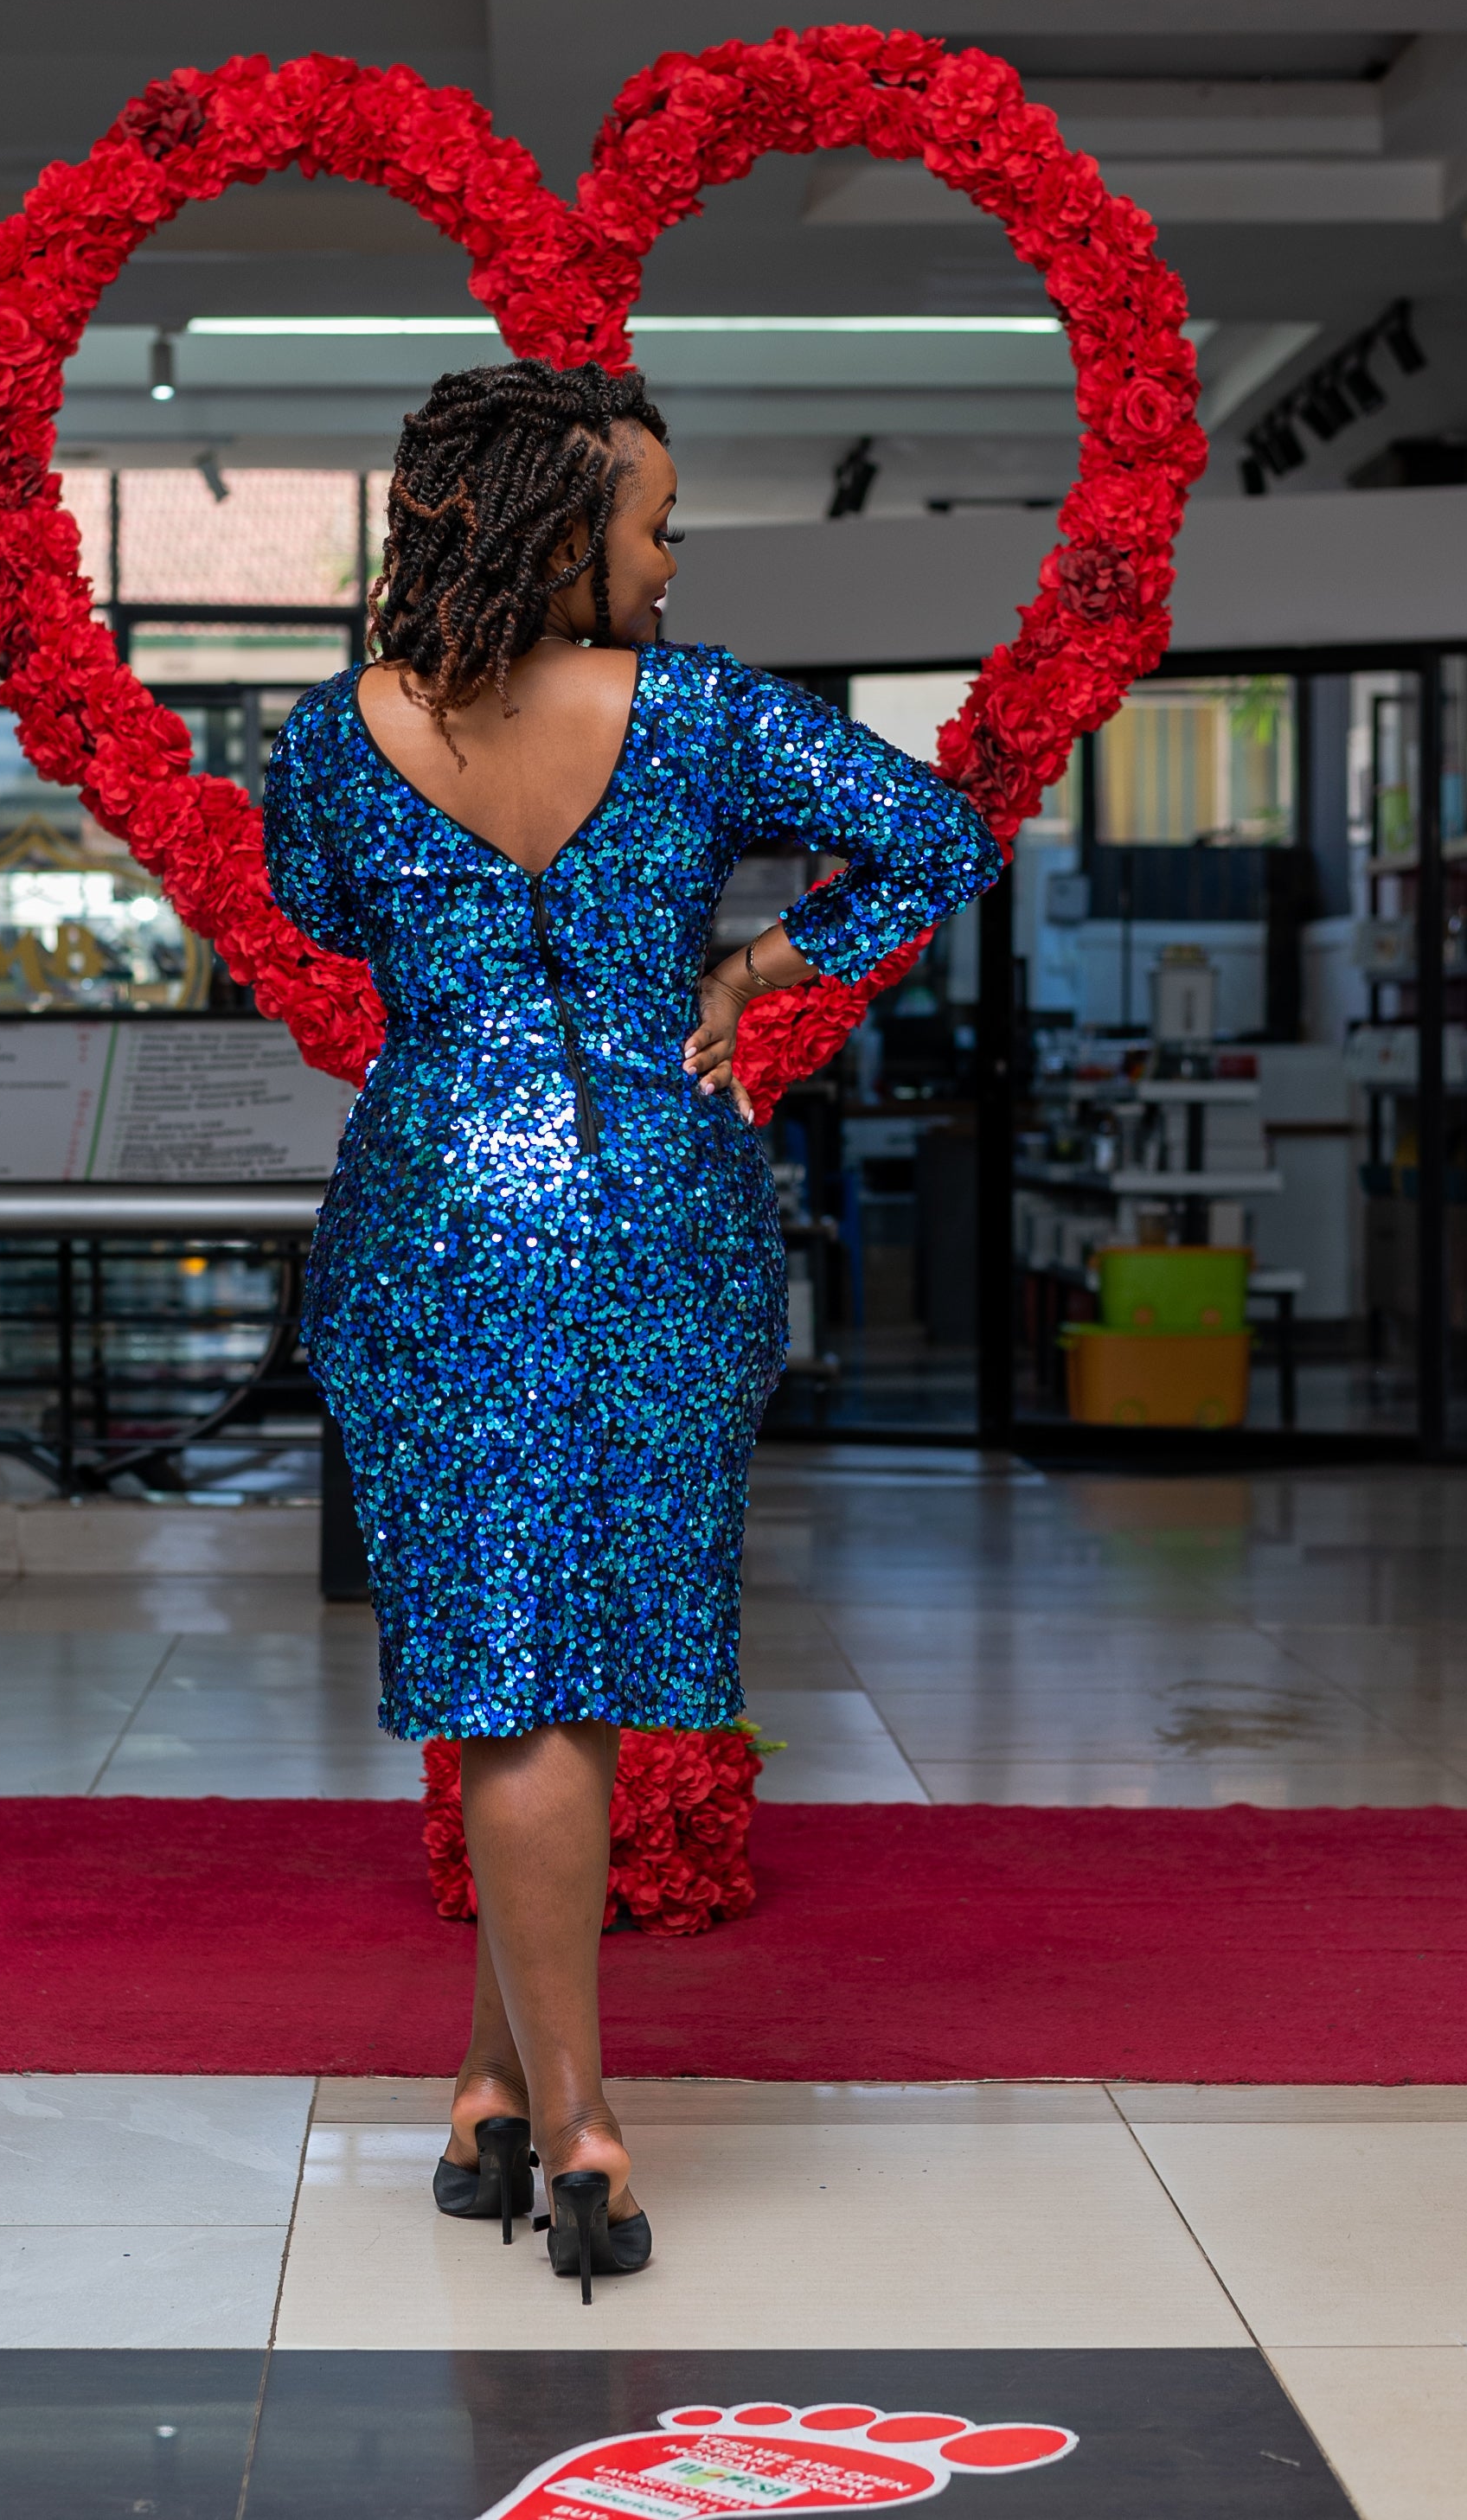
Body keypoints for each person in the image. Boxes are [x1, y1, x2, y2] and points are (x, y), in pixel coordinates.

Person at [262, 359, 999, 2300]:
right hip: (651, 1217)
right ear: (556, 528)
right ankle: (575, 2118)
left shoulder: (333, 739)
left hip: (424, 1218)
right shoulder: (697, 718)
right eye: (652, 521)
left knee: (510, 1667)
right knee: (565, 1663)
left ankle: (500, 2086)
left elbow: (320, 908)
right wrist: (756, 963)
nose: (670, 563)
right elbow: (940, 838)